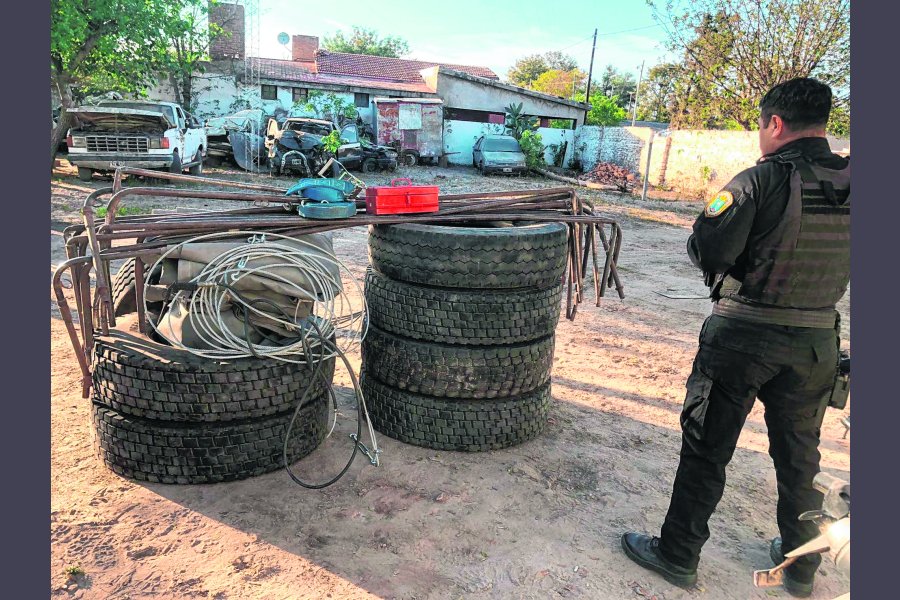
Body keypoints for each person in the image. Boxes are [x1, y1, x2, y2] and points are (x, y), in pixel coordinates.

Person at [620, 77, 850, 599]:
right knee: (800, 459)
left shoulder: (758, 181)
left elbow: (709, 252)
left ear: (774, 123)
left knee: (707, 447)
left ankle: (677, 556)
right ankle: (801, 569)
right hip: (816, 342)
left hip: (744, 337)